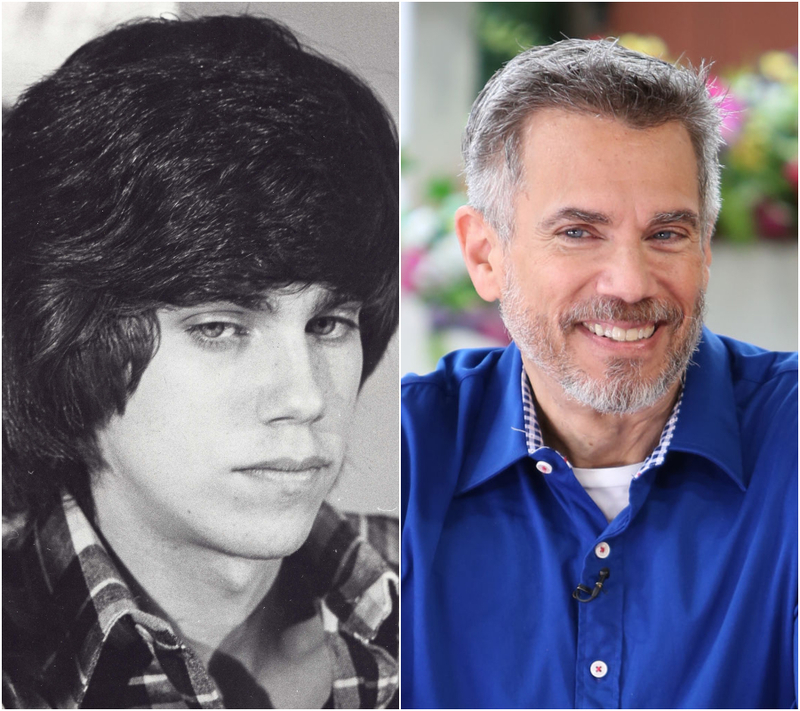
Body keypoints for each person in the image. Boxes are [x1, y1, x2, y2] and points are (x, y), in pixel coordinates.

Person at [3, 14, 398, 709]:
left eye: (328, 323)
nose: (304, 395)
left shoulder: (487, 594)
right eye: (219, 326)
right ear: (62, 332)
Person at [401, 38, 797, 709]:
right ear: (485, 254)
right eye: (579, 232)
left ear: (704, 249)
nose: (630, 283)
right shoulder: (400, 457)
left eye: (666, 233)